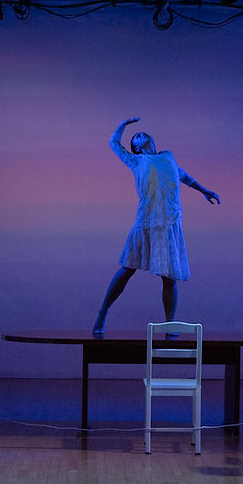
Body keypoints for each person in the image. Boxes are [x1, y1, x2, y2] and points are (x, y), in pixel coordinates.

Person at [92, 117, 219, 336]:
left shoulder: (167, 156)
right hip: (147, 220)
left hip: (168, 221)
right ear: (136, 148)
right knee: (127, 269)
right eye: (136, 137)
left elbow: (185, 177)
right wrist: (125, 124)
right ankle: (102, 313)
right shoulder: (136, 160)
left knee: (169, 278)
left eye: (142, 133)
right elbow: (114, 143)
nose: (140, 135)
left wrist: (205, 191)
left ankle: (170, 324)